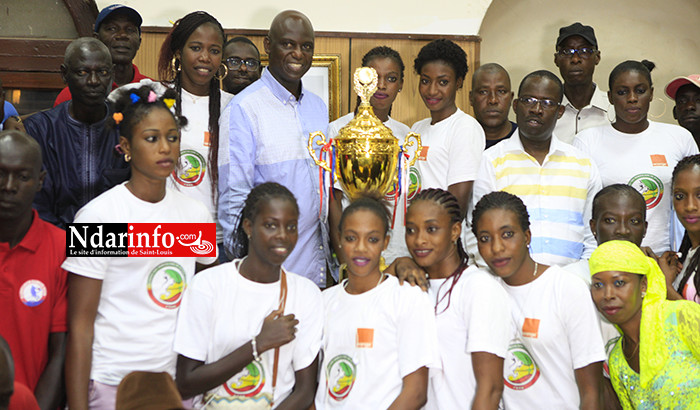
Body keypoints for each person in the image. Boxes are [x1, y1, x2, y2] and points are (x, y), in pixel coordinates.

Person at [62, 85, 217, 410]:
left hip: (176, 383)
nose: (165, 148)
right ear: (125, 147)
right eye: (151, 138)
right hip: (112, 382)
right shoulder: (96, 218)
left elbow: (203, 302)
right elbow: (79, 326)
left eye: (172, 137)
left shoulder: (196, 216)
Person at [175, 182, 321, 408]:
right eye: (271, 225)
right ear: (249, 227)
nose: (283, 235)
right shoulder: (208, 285)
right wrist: (258, 344)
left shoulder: (305, 293)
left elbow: (305, 391)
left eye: (291, 227)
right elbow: (186, 382)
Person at [219, 10, 330, 286]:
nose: (298, 54)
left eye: (306, 47)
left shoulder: (318, 107)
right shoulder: (244, 109)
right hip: (267, 274)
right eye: (288, 44)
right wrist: (248, 273)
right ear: (268, 46)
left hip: (316, 270)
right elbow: (234, 199)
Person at [472, 191, 605, 409]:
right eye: (485, 239)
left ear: (527, 236)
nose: (496, 248)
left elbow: (592, 393)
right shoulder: (483, 290)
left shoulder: (566, 288)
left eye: (507, 234)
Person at [315, 195, 439, 408]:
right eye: (351, 238)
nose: (361, 248)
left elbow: (416, 392)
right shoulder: (324, 302)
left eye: (372, 239)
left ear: (385, 242)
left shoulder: (406, 297)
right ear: (339, 239)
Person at [473, 70, 601, 266]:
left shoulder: (584, 164)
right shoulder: (491, 161)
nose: (537, 109)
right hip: (508, 284)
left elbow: (593, 236)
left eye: (547, 103)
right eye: (529, 100)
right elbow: (476, 231)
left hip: (572, 284)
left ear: (560, 112)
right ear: (516, 106)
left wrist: (579, 279)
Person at [575, 60, 699, 255]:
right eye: (622, 92)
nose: (632, 98)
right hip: (607, 259)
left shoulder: (679, 138)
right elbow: (580, 209)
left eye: (640, 91)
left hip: (666, 260)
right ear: (610, 97)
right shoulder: (587, 141)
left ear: (651, 93)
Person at [405, 188, 510, 410]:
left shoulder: (477, 287)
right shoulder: (409, 287)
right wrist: (399, 264)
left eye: (431, 229)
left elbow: (490, 389)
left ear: (455, 231)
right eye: (411, 230)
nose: (419, 239)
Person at [150, 11, 233, 255]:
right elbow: (109, 112)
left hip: (218, 239)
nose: (205, 58)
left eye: (214, 51)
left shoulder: (234, 107)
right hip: (163, 236)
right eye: (196, 48)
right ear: (178, 52)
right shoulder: (153, 96)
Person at [24, 37, 129, 228]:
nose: (94, 81)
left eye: (103, 72)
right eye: (82, 72)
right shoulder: (40, 129)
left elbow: (139, 203)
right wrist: (68, 246)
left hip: (117, 248)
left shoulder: (128, 126)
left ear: (112, 75)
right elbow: (37, 206)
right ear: (64, 74)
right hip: (56, 246)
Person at [589, 240, 700, 409]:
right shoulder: (618, 361)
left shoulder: (681, 317)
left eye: (619, 283)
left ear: (643, 285)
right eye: (598, 285)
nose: (608, 295)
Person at [0, 130, 67, 409]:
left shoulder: (62, 247)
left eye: (23, 176)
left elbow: (61, 352)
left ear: (40, 182)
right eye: (1, 173)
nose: (9, 186)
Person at [328, 46, 410, 266]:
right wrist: (344, 258)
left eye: (391, 78)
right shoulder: (338, 131)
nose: (381, 86)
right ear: (361, 80)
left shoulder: (405, 134)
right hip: (356, 249)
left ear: (401, 84)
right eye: (375, 77)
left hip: (398, 251)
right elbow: (333, 199)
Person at [410, 39, 484, 218]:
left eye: (443, 82)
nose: (432, 91)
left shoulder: (465, 127)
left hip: (441, 237)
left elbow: (457, 204)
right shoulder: (416, 128)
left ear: (458, 83)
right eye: (426, 81)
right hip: (414, 233)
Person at [54, 4, 150, 106]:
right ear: (97, 39)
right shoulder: (71, 95)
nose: (122, 35)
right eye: (112, 28)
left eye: (130, 30)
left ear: (139, 42)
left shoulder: (155, 92)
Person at [552, 22, 612, 144]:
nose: (575, 59)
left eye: (584, 51)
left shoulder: (615, 109)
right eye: (567, 51)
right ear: (556, 59)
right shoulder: (545, 110)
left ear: (597, 57)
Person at [667, 155, 700, 302]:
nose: (690, 206)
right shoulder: (687, 253)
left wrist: (666, 288)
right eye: (680, 196)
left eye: (699, 195)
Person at [469, 63, 516, 148]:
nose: (493, 100)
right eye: (483, 92)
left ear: (511, 98)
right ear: (471, 98)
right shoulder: (457, 140)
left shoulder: (526, 140)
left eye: (501, 91)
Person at [665, 74, 700, 147]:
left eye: (698, 100)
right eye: (682, 101)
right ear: (674, 112)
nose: (689, 106)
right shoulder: (667, 148)